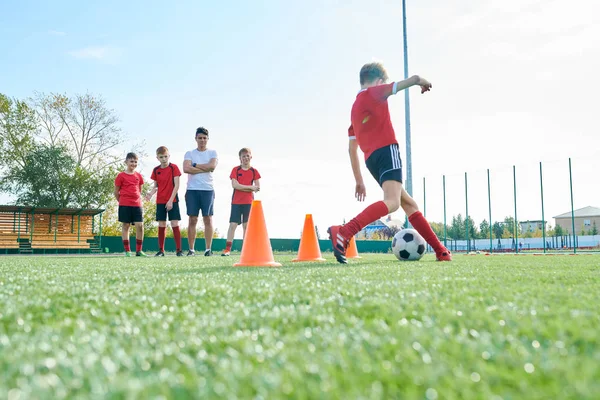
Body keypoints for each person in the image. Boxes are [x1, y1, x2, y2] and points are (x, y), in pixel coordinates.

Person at [328, 62, 452, 264]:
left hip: (372, 161)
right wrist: (421, 81)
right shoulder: (374, 93)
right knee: (393, 203)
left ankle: (441, 251)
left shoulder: (355, 109)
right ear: (378, 82)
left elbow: (352, 149)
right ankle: (344, 231)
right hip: (388, 152)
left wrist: (359, 180)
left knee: (408, 204)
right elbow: (409, 81)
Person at [183, 127, 218, 256]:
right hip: (192, 189)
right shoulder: (189, 153)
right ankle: (191, 250)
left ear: (207, 139)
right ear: (196, 139)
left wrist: (195, 165)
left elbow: (212, 166)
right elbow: (186, 169)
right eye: (200, 138)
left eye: (204, 138)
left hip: (207, 190)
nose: (202, 140)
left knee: (207, 219)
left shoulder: (213, 153)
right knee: (192, 219)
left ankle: (208, 249)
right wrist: (205, 168)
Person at [221, 148, 261, 256]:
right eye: (243, 156)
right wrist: (250, 187)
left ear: (251, 157)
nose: (246, 158)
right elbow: (235, 185)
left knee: (246, 226)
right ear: (240, 158)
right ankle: (227, 249)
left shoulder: (254, 171)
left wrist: (244, 187)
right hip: (236, 202)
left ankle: (246, 250)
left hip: (249, 202)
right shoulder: (236, 170)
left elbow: (257, 188)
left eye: (247, 156)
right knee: (233, 225)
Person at [145, 146, 184, 257]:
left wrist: (171, 200)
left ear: (169, 156)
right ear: (157, 158)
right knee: (162, 224)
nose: (164, 159)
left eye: (165, 156)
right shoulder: (156, 170)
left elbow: (177, 185)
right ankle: (161, 251)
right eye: (161, 157)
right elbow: (155, 187)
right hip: (160, 201)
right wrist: (150, 194)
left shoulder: (174, 168)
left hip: (173, 200)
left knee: (174, 223)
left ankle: (179, 250)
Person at [114, 152, 147, 257]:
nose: (133, 164)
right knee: (126, 225)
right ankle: (128, 251)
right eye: (131, 161)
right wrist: (122, 202)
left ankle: (139, 250)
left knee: (140, 225)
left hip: (137, 205)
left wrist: (136, 199)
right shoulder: (120, 176)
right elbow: (116, 192)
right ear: (126, 162)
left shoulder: (139, 176)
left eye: (135, 162)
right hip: (124, 204)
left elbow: (139, 190)